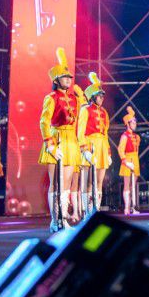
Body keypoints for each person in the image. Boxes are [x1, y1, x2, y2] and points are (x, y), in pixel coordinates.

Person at [38, 47, 83, 232]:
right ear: (56, 80)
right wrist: (50, 144)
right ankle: (54, 220)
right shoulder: (51, 98)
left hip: (71, 140)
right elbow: (44, 121)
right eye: (65, 77)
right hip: (56, 139)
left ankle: (63, 219)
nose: (68, 79)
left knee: (67, 183)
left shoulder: (74, 99)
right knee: (55, 182)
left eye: (70, 77)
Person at [77, 72, 111, 215]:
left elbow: (105, 133)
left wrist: (108, 153)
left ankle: (96, 209)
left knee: (99, 182)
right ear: (92, 97)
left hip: (102, 146)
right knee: (89, 182)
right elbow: (80, 131)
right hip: (90, 145)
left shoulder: (104, 112)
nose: (101, 98)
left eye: (102, 96)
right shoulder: (85, 110)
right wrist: (85, 150)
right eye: (99, 96)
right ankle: (87, 211)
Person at [118, 106, 141, 215]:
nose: (135, 124)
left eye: (135, 122)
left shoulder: (137, 137)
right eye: (133, 122)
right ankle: (127, 207)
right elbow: (120, 149)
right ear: (128, 124)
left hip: (135, 160)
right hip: (127, 160)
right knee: (127, 185)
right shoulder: (124, 136)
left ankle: (133, 206)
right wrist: (125, 161)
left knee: (133, 185)